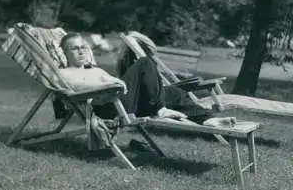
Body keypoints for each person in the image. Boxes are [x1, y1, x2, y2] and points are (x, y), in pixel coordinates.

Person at [55, 32, 218, 154]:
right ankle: (159, 108)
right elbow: (78, 87)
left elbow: (115, 83)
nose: (81, 51)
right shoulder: (64, 73)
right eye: (74, 48)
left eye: (83, 47)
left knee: (174, 92)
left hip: (120, 101)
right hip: (107, 108)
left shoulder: (95, 69)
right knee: (144, 63)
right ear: (64, 52)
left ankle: (207, 118)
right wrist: (111, 83)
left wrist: (112, 82)